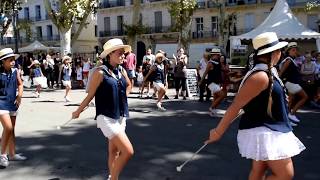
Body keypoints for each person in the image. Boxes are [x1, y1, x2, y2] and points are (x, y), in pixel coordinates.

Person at [205, 32, 305, 180]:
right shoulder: (260, 76)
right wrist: (218, 132)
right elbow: (236, 105)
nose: (281, 54)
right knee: (285, 175)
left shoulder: (268, 71)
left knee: (258, 172)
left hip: (266, 128)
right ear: (271, 53)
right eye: (278, 51)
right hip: (266, 131)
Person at [72, 38, 133, 180]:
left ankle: (112, 176)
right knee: (128, 151)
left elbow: (129, 85)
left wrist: (123, 96)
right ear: (110, 54)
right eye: (120, 53)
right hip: (106, 117)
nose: (123, 56)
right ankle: (113, 179)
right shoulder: (100, 73)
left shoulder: (121, 70)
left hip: (120, 115)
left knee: (114, 151)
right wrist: (78, 111)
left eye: (124, 53)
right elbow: (90, 95)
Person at [0, 48, 27, 168]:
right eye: (10, 60)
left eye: (14, 59)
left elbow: (20, 84)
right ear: (3, 61)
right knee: (8, 128)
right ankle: (3, 155)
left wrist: (19, 96)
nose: (13, 62)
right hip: (1, 104)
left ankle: (12, 154)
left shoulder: (15, 71)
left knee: (12, 130)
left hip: (13, 103)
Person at [279, 42, 308, 125]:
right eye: (293, 50)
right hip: (291, 83)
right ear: (289, 51)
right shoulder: (288, 60)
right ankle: (291, 114)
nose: (295, 51)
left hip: (291, 83)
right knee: (305, 97)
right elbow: (281, 72)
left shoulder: (291, 59)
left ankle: (286, 120)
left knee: (290, 101)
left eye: (296, 50)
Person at [199, 48, 223, 117]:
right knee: (221, 95)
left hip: (216, 82)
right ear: (214, 55)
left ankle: (213, 112)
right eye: (218, 55)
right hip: (211, 83)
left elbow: (220, 73)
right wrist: (201, 81)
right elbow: (205, 73)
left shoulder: (218, 63)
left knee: (215, 97)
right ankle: (211, 108)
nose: (219, 56)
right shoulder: (210, 63)